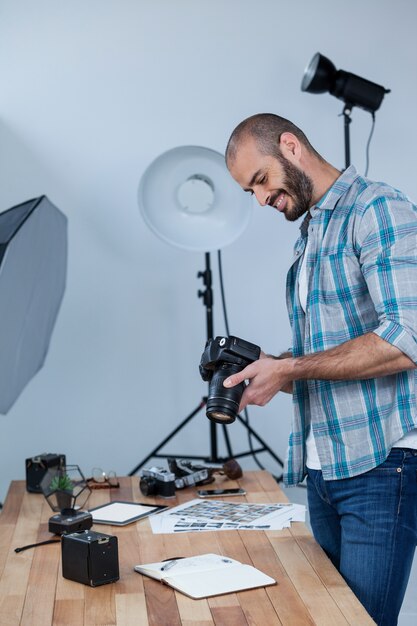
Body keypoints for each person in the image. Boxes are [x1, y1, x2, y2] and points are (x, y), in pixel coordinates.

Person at [223, 113, 417, 626]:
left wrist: (289, 369)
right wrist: (268, 368)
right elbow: (330, 351)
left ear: (290, 146)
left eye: (261, 180)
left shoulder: (377, 208)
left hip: (382, 464)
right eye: (250, 192)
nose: (261, 199)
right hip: (324, 465)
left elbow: (408, 337)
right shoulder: (311, 231)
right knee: (327, 617)